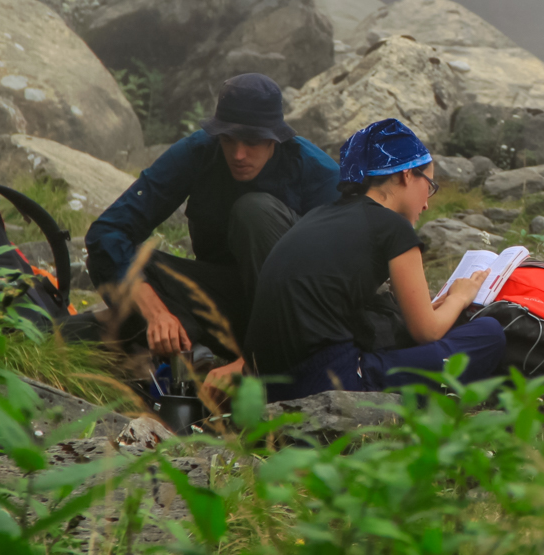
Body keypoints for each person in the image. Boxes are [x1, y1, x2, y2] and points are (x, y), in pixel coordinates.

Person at [202, 118, 506, 402]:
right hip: (332, 383)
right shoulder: (393, 228)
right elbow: (426, 333)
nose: (427, 203)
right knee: (489, 335)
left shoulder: (322, 215)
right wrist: (459, 297)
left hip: (269, 387)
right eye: (429, 185)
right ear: (406, 174)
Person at [76, 73, 339, 357]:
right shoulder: (198, 152)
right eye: (228, 139)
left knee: (254, 211)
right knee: (127, 261)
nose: (238, 154)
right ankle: (186, 343)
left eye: (251, 141)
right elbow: (108, 232)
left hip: (294, 312)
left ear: (275, 139)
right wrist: (156, 313)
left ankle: (271, 357)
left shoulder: (319, 174)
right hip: (219, 302)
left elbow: (342, 273)